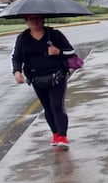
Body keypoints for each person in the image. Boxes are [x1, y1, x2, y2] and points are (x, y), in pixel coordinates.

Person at [11, 15, 77, 149]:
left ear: (43, 20)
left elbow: (71, 51)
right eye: (31, 19)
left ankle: (63, 137)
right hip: (36, 78)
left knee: (56, 106)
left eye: (37, 19)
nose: (34, 22)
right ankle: (55, 134)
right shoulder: (23, 38)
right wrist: (17, 72)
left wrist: (58, 51)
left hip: (57, 76)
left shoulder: (54, 34)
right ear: (26, 21)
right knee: (47, 107)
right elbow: (17, 57)